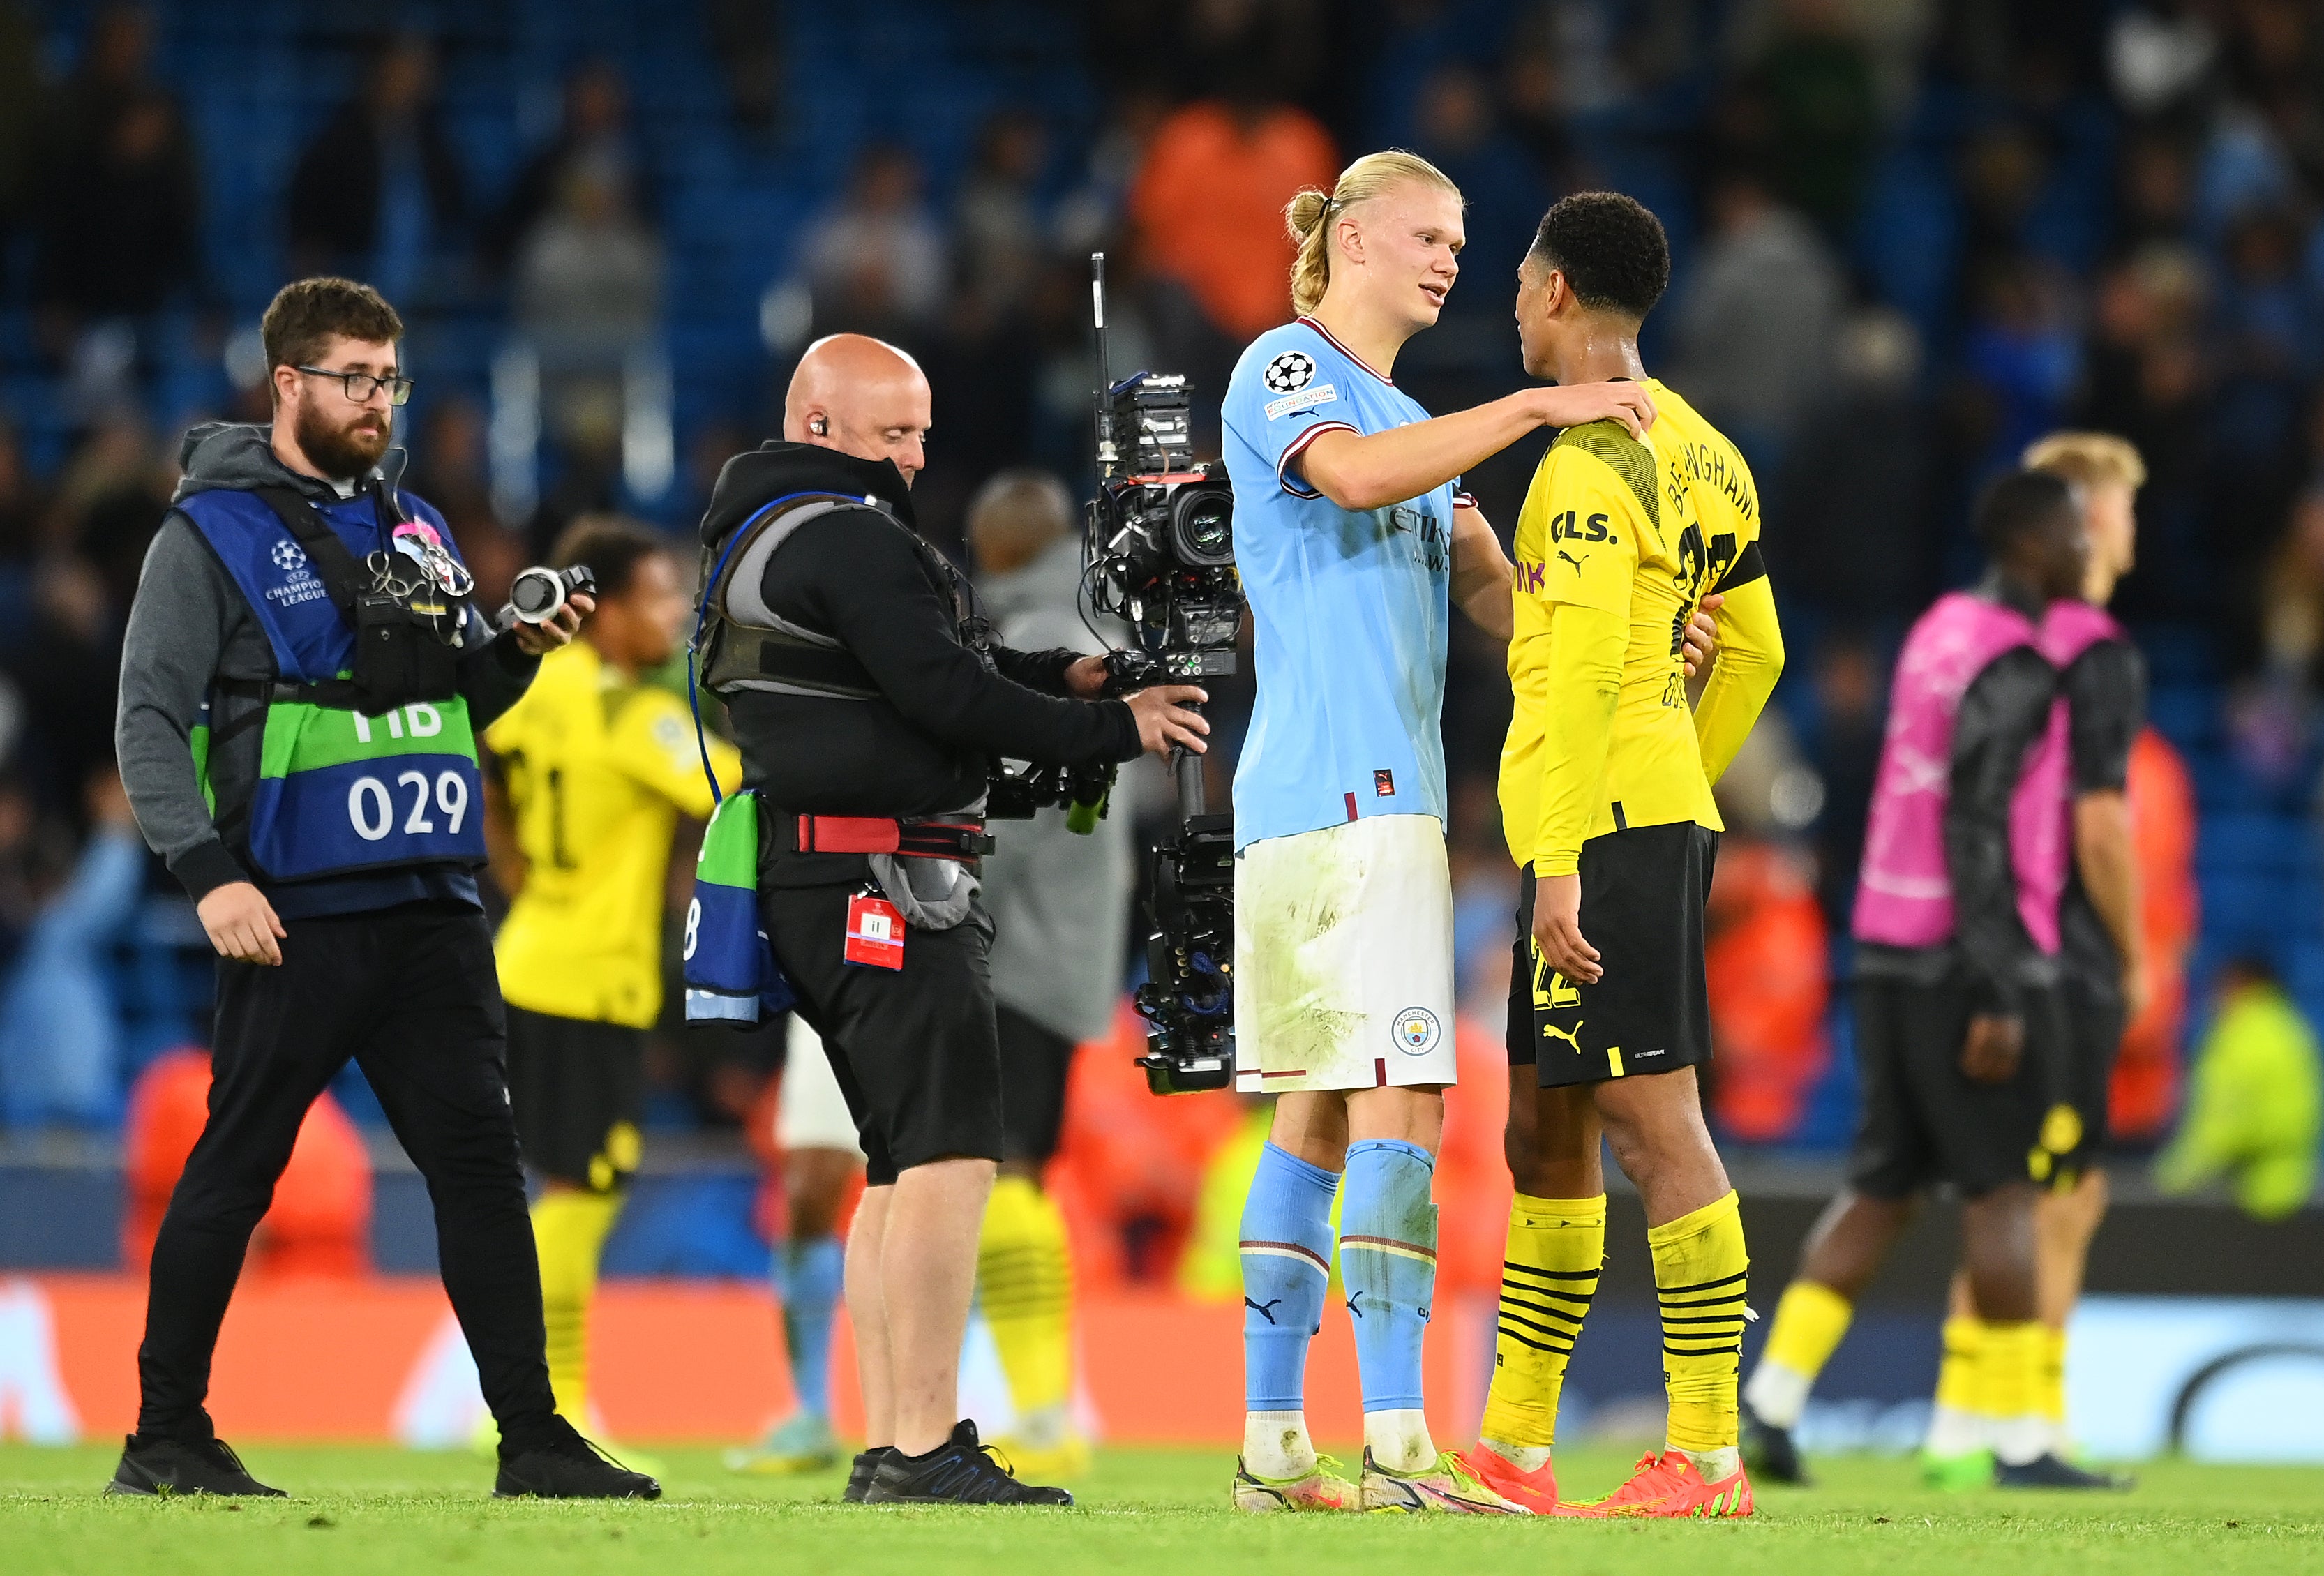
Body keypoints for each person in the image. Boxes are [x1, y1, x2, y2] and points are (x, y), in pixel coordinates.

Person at [109, 276, 651, 1500]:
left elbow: (447, 698)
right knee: (238, 1167)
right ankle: (164, 1434)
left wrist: (512, 651)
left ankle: (535, 1438)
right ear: (286, 383)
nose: (375, 399)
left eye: (388, 377)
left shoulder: (417, 524)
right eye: (352, 377)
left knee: (480, 1170)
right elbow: (146, 719)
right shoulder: (208, 533)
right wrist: (205, 874)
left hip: (432, 907)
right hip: (293, 911)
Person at [694, 331, 1208, 1506]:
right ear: (819, 424)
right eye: (894, 432)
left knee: (895, 1164)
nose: (918, 455)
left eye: (922, 431)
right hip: (880, 881)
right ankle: (924, 1444)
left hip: (825, 874)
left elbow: (924, 668)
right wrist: (1110, 727)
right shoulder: (847, 534)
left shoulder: (765, 533)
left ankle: (892, 1439)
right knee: (952, 1155)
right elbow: (940, 690)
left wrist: (1055, 678)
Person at [1218, 151, 1660, 1516]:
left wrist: (1639, 637)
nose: (1450, 257)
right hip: (1345, 795)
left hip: (1331, 804)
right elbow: (1347, 480)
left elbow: (1497, 599)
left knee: (1313, 1117)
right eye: (1426, 232)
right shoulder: (1287, 371)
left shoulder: (1414, 419)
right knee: (1406, 1102)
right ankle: (1403, 1443)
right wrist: (1535, 402)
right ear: (1350, 236)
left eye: (1463, 242)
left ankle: (1274, 1443)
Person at [1455, 191, 1785, 1520]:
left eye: (1518, 285)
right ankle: (1513, 1449)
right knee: (1550, 1126)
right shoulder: (1710, 453)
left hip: (1595, 832)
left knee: (1656, 1123)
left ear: (1551, 292)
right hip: (1637, 811)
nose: (1511, 306)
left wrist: (1563, 857)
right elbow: (1753, 650)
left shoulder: (1586, 466)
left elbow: (1585, 671)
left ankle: (1707, 1455)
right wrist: (1681, 759)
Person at [1737, 470, 2117, 1493]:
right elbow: (1975, 821)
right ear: (2038, 547)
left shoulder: (1938, 630)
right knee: (1999, 1193)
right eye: (2075, 531)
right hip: (1962, 957)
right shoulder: (2017, 662)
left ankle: (1769, 1400)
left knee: (1881, 1185)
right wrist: (1998, 984)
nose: (2089, 548)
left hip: (1882, 942)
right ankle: (2016, 1437)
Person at [1903, 433, 2149, 1486]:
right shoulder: (2086, 647)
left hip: (1987, 930)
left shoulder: (1986, 634)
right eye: (2122, 508)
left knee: (2026, 1184)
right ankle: (2021, 1417)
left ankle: (1973, 1413)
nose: (2131, 530)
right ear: (2087, 519)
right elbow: (2096, 822)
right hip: (2059, 946)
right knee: (2052, 1190)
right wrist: (2135, 953)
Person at [481, 516, 738, 1436]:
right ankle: (540, 1401)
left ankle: (533, 1397)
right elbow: (733, 793)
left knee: (563, 1182)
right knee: (580, 1188)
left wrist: (511, 863)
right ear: (607, 609)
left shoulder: (530, 686)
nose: (674, 614)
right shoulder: (637, 714)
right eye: (659, 595)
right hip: (588, 977)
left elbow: (485, 761)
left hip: (530, 956)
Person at [965, 469, 1139, 1480]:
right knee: (1016, 1166)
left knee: (999, 1169)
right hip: (1078, 940)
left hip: (1008, 943)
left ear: (994, 549)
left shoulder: (1026, 641)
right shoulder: (1111, 630)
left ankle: (1039, 1407)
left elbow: (1004, 814)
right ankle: (1039, 1401)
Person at [728, 1014, 864, 1476]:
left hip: (929, 973)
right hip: (831, 991)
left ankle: (935, 1417)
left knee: (931, 1176)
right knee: (808, 1189)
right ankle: (811, 1411)